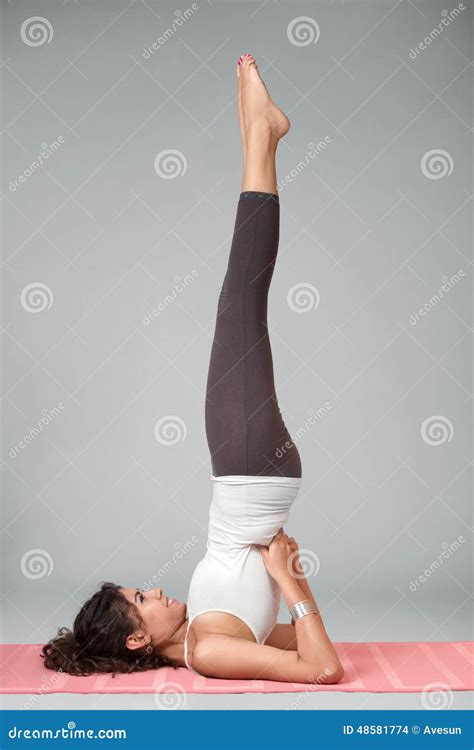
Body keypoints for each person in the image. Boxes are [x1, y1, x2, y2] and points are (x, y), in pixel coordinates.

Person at [42, 54, 344, 685]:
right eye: (143, 601)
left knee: (241, 304)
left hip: (254, 477)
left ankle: (257, 134)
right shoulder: (209, 650)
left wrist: (291, 591)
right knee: (240, 301)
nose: (153, 589)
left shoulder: (212, 628)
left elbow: (297, 643)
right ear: (135, 637)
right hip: (246, 470)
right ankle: (260, 135)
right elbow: (322, 669)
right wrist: (292, 583)